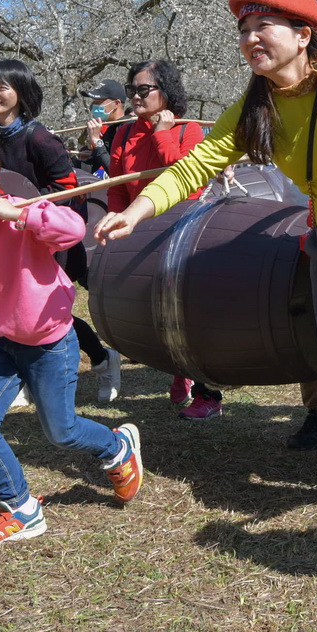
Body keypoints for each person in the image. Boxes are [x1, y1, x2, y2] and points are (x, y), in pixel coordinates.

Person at [96, 0, 317, 524]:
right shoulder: (256, 105)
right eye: (243, 30)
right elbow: (197, 164)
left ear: (304, 35)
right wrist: (136, 211)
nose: (251, 39)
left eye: (264, 27)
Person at [0, 130, 145, 544]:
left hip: (50, 343)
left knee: (61, 432)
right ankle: (23, 510)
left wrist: (20, 216)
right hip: (4, 344)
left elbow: (71, 230)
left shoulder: (22, 211)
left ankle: (116, 447)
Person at [0, 59, 121, 404]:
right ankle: (24, 376)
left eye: (2, 87)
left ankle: (101, 359)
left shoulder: (39, 137)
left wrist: (29, 213)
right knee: (4, 309)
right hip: (1, 238)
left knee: (48, 316)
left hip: (44, 237)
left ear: (20, 93)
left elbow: (67, 189)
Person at [102, 60, 224, 420]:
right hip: (140, 231)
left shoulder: (188, 130)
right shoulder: (122, 134)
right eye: (132, 90)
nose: (136, 97)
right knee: (154, 311)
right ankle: (179, 368)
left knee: (190, 312)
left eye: (144, 90)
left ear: (166, 92)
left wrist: (163, 133)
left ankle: (207, 393)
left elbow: (188, 179)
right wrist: (116, 219)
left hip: (182, 233)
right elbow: (116, 187)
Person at [75, 79, 128, 173]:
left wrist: (97, 141)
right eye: (94, 102)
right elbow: (90, 167)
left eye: (99, 102)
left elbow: (116, 172)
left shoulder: (128, 128)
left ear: (116, 104)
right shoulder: (110, 130)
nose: (95, 106)